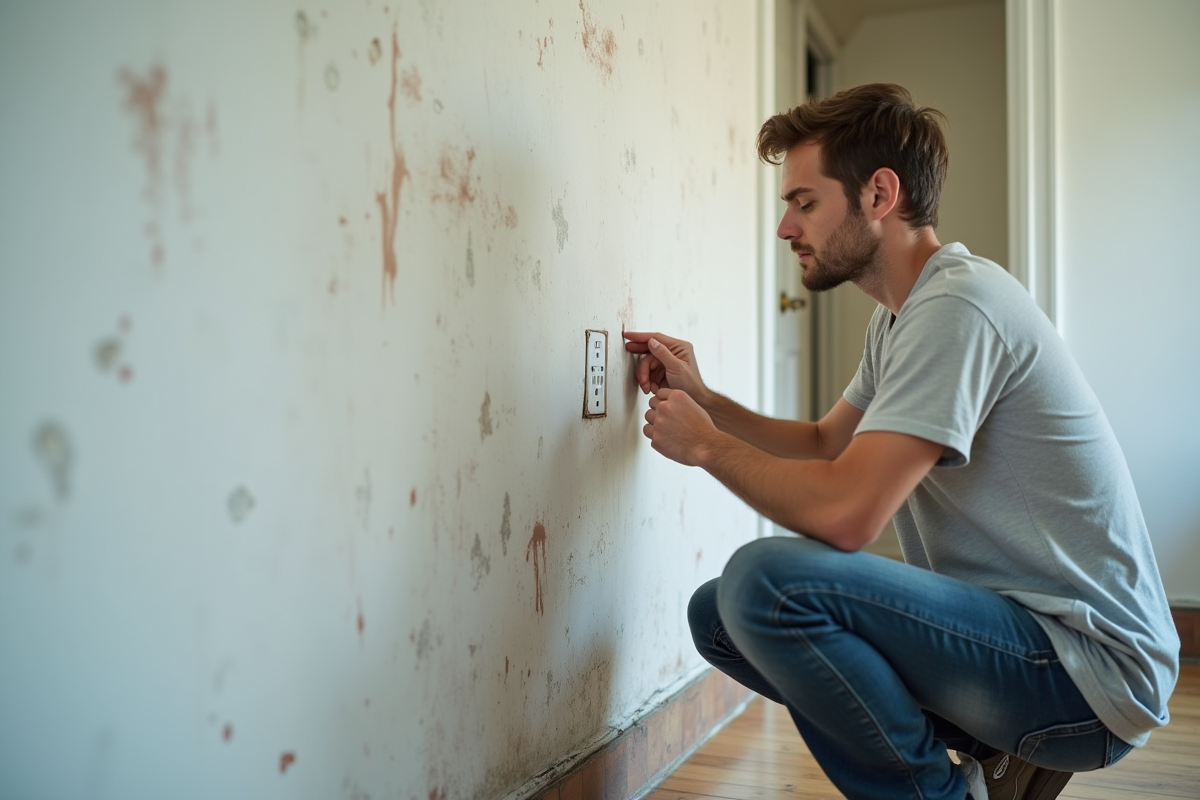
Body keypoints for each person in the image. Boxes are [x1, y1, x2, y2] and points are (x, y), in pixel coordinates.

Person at [623, 83, 1178, 800]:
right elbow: (828, 443)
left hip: (1088, 671)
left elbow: (849, 516)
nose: (786, 229)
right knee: (718, 614)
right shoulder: (901, 319)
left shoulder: (960, 306)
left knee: (764, 582)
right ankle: (995, 755)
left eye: (804, 202)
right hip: (1024, 644)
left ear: (879, 194)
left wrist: (707, 448)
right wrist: (707, 403)